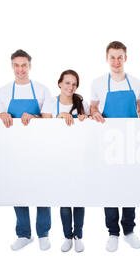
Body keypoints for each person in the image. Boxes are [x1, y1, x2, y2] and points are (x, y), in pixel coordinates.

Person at [89, 41, 140, 252]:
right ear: (106, 59)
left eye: (120, 57)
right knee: (110, 188)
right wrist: (94, 112)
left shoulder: (137, 83)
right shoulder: (98, 83)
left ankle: (129, 230)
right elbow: (92, 107)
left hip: (132, 143)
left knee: (129, 187)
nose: (116, 61)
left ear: (126, 58)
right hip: (108, 144)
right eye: (112, 57)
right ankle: (113, 233)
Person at [0, 49, 53, 251]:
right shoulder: (2, 91)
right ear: (12, 66)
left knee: (41, 190)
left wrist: (34, 118)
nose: (20, 69)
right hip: (13, 151)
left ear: (30, 66)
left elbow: (48, 121)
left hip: (38, 149)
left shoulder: (42, 89)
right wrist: (1, 115)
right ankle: (24, 234)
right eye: (16, 65)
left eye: (24, 65)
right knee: (18, 190)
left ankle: (43, 233)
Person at [41, 69, 89, 252]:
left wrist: (86, 118)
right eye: (67, 82)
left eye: (74, 84)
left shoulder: (81, 102)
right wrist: (59, 117)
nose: (71, 86)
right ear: (59, 83)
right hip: (58, 158)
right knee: (64, 199)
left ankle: (78, 236)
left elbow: (89, 130)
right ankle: (67, 237)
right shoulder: (50, 103)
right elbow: (44, 126)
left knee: (78, 199)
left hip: (79, 158)